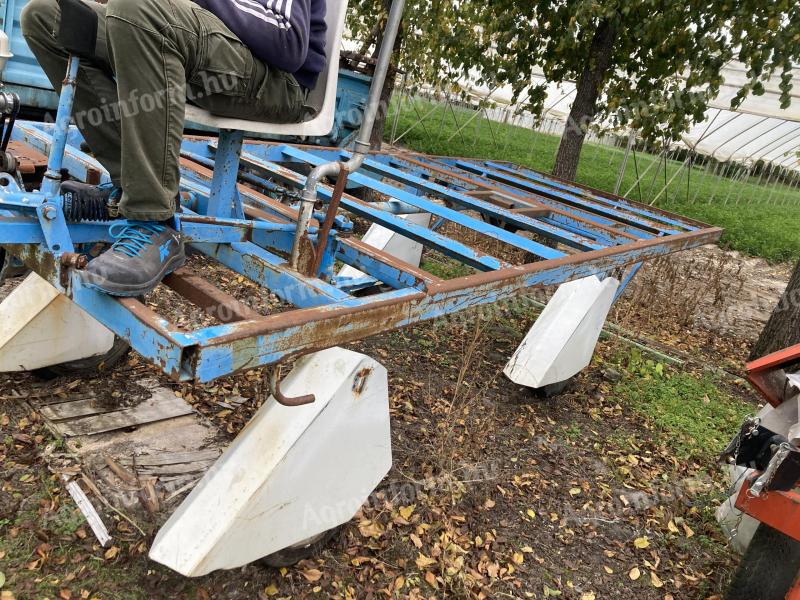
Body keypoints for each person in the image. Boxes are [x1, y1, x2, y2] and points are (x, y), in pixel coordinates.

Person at [21, 0, 327, 296]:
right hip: (203, 49)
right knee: (49, 17)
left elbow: (288, 41)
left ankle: (154, 221)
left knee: (137, 7)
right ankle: (131, 185)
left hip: (278, 82)